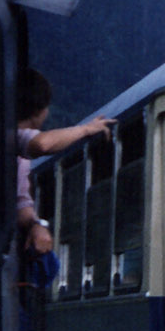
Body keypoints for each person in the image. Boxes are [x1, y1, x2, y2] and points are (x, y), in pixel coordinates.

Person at [16, 68, 114, 254]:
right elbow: (42, 144)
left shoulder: (20, 155)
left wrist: (36, 225)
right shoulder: (15, 137)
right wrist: (85, 130)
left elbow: (20, 205)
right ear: (39, 111)